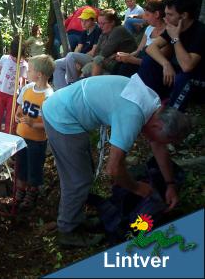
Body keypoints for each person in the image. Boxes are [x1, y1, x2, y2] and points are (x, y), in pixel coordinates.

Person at [42, 75, 191, 247]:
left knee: (83, 175)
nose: (159, 143)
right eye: (164, 140)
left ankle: (76, 218)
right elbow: (113, 169)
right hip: (61, 115)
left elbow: (158, 146)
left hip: (68, 107)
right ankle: (67, 231)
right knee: (78, 180)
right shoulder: (132, 115)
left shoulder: (154, 104)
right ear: (158, 127)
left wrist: (170, 184)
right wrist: (137, 188)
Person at [139, 0, 205, 111]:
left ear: (184, 15)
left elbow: (187, 66)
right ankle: (149, 102)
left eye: (170, 15)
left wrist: (175, 38)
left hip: (198, 79)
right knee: (149, 61)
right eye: (165, 13)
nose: (165, 18)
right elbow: (150, 48)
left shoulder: (200, 31)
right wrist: (166, 64)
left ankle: (171, 118)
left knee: (184, 78)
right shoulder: (172, 26)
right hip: (181, 73)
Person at [15, 55, 55, 210]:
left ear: (39, 74)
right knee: (21, 165)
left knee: (34, 167)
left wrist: (34, 123)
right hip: (21, 136)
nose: (27, 73)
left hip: (36, 140)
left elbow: (49, 122)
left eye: (30, 70)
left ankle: (32, 192)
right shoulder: (26, 88)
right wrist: (18, 116)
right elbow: (19, 109)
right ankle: (20, 189)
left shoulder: (48, 95)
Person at [114, 0, 167, 77]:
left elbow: (157, 61)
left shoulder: (167, 33)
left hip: (151, 66)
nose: (144, 17)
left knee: (125, 68)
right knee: (120, 64)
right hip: (141, 59)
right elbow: (138, 50)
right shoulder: (149, 28)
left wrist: (132, 60)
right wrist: (126, 56)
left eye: (147, 14)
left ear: (157, 14)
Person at [53, 7, 101, 89]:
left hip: (92, 58)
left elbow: (93, 52)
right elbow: (78, 48)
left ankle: (72, 84)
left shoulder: (97, 30)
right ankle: (61, 90)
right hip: (82, 57)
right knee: (56, 63)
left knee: (71, 55)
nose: (83, 23)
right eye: (82, 20)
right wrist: (75, 60)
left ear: (93, 21)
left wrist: (77, 59)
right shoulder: (84, 32)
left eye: (86, 20)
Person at [86, 9, 138, 76]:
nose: (100, 26)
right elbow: (96, 52)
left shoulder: (118, 30)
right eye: (99, 23)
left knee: (94, 62)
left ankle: (91, 84)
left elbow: (103, 53)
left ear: (112, 22)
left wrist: (109, 56)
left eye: (103, 23)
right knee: (85, 65)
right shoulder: (104, 32)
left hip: (123, 64)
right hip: (111, 61)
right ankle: (76, 83)